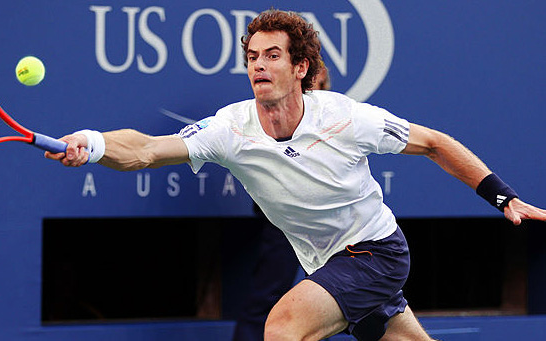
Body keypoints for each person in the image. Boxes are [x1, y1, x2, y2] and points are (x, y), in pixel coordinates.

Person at [46, 9, 546, 341]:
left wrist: (504, 198)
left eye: (272, 56)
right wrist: (94, 145)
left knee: (282, 327)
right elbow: (148, 151)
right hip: (326, 260)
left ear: (301, 67)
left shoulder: (347, 117)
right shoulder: (230, 128)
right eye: (251, 58)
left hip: (375, 253)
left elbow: (435, 143)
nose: (258, 67)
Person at [232, 63, 330, 341]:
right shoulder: (271, 123)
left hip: (328, 233)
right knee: (266, 301)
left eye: (319, 86)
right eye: (309, 85)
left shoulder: (335, 126)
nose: (313, 92)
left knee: (330, 307)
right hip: (283, 229)